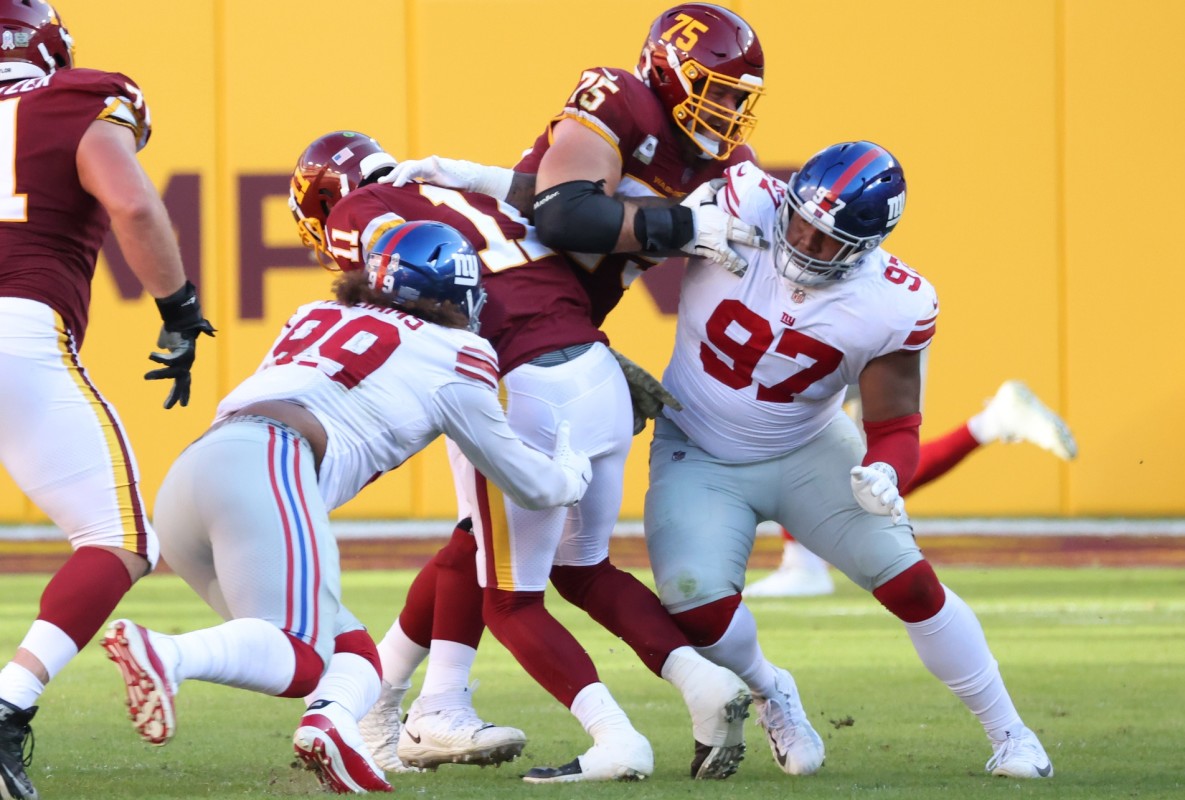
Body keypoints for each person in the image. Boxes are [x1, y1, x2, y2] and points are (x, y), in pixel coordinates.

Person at [287, 128, 755, 783]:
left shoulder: (357, 215)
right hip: (595, 368)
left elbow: (406, 299)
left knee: (509, 598)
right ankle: (702, 684)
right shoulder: (458, 195)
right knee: (566, 565)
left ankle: (613, 738)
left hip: (517, 385)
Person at [99, 221, 594, 795]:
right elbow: (529, 485)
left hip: (194, 475)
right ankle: (164, 652)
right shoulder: (456, 351)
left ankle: (331, 728)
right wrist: (572, 472)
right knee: (300, 654)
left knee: (349, 649)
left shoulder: (317, 314)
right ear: (445, 294)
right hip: (273, 461)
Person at [643, 140, 1055, 779]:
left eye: (829, 238)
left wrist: (888, 470)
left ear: (867, 246)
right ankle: (769, 688)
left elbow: (897, 424)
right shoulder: (741, 203)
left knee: (910, 582)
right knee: (695, 608)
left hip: (808, 448)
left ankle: (1012, 735)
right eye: (802, 220)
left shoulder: (893, 301)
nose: (805, 241)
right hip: (696, 450)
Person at [0, 5, 215, 799]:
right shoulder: (78, 98)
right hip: (15, 329)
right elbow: (131, 204)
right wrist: (180, 308)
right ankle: (8, 703)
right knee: (118, 536)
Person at [745, 382, 1080, 598]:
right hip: (883, 316)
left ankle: (803, 563)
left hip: (836, 322)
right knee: (865, 468)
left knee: (782, 410)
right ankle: (989, 424)